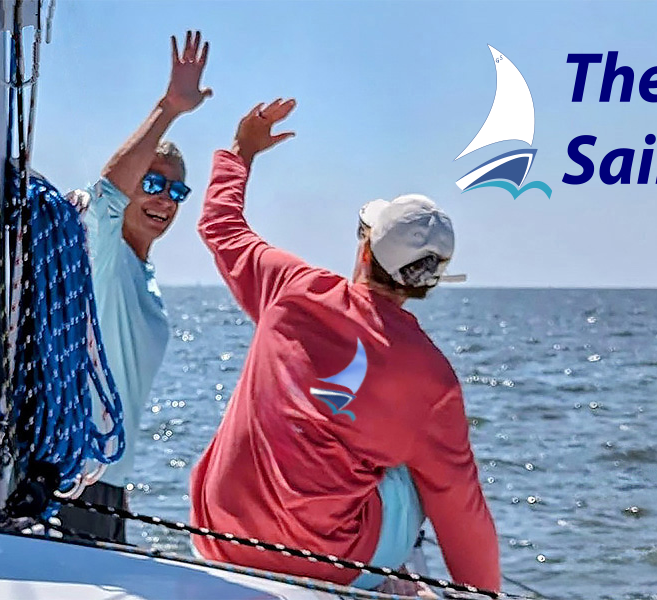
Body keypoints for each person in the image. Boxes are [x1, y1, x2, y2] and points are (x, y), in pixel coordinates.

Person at [189, 98, 501, 594]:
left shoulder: (291, 287)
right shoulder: (433, 378)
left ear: (364, 246)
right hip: (325, 566)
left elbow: (221, 226)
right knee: (423, 470)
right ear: (429, 281)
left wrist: (240, 154)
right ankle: (393, 581)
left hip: (217, 535)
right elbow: (461, 509)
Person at [58, 31, 213, 543]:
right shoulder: (106, 254)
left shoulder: (142, 274)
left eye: (175, 190)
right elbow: (103, 193)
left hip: (108, 483)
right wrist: (168, 109)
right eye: (151, 183)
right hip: (71, 480)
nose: (164, 199)